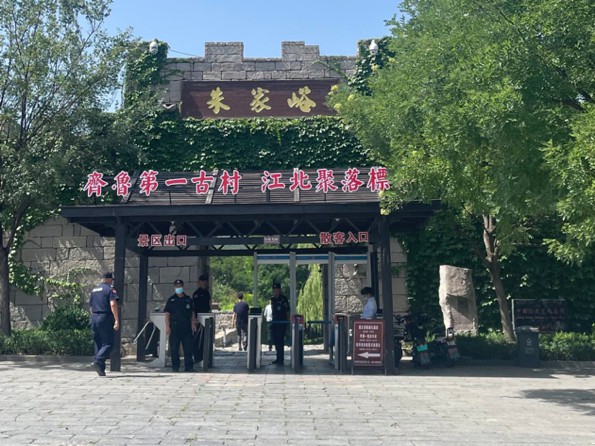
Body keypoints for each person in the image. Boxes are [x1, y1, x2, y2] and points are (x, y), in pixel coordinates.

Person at [89, 272, 120, 377]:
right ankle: (98, 361)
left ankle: (100, 369)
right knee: (108, 343)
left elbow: (91, 307)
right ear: (109, 279)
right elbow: (113, 304)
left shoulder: (94, 290)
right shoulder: (110, 289)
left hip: (94, 317)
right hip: (104, 317)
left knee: (98, 342)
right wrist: (116, 320)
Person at [164, 279, 197, 372]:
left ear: (183, 286)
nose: (178, 288)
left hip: (186, 326)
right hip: (175, 327)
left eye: (180, 286)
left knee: (188, 348)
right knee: (174, 348)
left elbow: (192, 312)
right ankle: (175, 367)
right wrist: (167, 326)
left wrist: (193, 323)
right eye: (177, 286)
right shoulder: (171, 300)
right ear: (174, 287)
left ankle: (189, 367)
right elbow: (167, 314)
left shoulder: (188, 299)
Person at [192, 274, 212, 363]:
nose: (204, 283)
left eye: (205, 281)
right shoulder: (196, 294)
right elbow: (194, 308)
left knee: (204, 338)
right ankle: (197, 357)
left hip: (206, 318)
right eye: (203, 281)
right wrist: (194, 319)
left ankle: (204, 357)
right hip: (198, 318)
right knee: (197, 338)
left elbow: (208, 306)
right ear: (199, 282)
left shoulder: (207, 293)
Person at [270, 282, 289, 365]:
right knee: (275, 340)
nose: (275, 291)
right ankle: (278, 357)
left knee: (280, 340)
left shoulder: (283, 299)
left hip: (282, 322)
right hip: (275, 322)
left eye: (277, 289)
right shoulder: (273, 299)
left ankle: (281, 358)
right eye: (274, 289)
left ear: (279, 290)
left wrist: (287, 322)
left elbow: (287, 310)